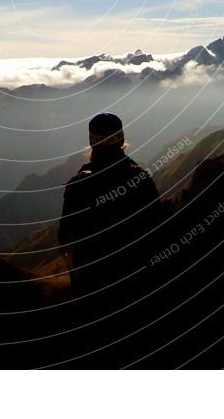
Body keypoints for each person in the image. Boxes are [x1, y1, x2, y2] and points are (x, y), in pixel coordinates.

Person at [58, 112, 162, 305]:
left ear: (92, 142)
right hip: (140, 286)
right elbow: (160, 230)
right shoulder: (140, 180)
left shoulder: (78, 186)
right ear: (121, 140)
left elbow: (65, 240)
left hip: (93, 290)